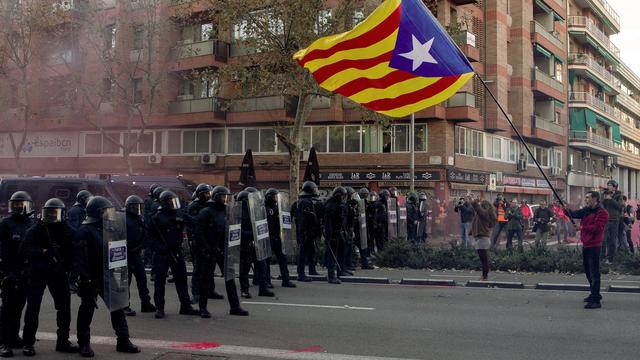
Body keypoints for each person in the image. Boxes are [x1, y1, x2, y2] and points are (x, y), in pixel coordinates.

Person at [73, 196, 140, 357]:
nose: (110, 214)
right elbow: (79, 258)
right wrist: (85, 278)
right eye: (106, 211)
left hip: (110, 273)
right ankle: (83, 343)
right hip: (92, 277)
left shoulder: (110, 228)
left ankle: (123, 340)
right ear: (97, 213)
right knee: (87, 310)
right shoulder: (84, 231)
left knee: (118, 307)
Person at [20, 198, 78, 356]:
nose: (52, 216)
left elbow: (74, 248)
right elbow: (24, 249)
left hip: (58, 271)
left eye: (55, 213)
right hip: (39, 270)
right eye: (50, 213)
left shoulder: (66, 229)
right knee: (33, 308)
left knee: (64, 308)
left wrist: (69, 267)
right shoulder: (37, 229)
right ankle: (28, 343)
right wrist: (43, 252)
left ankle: (63, 341)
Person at [195, 186, 248, 318]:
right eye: (223, 196)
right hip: (211, 250)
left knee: (230, 279)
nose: (225, 199)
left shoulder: (227, 210)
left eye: (227, 196)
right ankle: (203, 308)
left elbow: (233, 228)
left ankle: (235, 307)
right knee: (206, 280)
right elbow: (199, 233)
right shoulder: (206, 212)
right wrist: (207, 248)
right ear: (216, 196)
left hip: (225, 250)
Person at [147, 191, 199, 319]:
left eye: (174, 201)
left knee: (181, 279)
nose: (173, 204)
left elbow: (193, 222)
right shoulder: (157, 218)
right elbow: (150, 238)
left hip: (176, 252)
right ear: (164, 203)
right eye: (171, 202)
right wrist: (160, 248)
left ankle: (185, 306)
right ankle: (160, 308)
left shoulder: (179, 213)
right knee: (160, 282)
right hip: (162, 254)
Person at [0, 191, 37, 357]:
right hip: (9, 272)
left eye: (22, 205)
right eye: (15, 205)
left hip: (26, 272)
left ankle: (14, 337)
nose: (19, 208)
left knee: (19, 308)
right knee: (7, 309)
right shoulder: (5, 224)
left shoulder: (33, 223)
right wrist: (4, 272)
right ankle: (3, 343)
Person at [564, 191, 609, 309]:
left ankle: (596, 301)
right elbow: (574, 214)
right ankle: (595, 294)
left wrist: (581, 227)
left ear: (595, 199)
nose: (586, 200)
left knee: (594, 272)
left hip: (595, 245)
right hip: (586, 244)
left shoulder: (602, 212)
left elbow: (598, 228)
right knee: (588, 271)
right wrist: (566, 210)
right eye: (586, 197)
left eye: (588, 197)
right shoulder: (586, 210)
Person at [186, 184, 223, 304]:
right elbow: (192, 224)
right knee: (198, 269)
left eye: (209, 193)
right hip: (198, 241)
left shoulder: (209, 206)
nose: (208, 195)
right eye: (206, 193)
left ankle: (210, 291)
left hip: (209, 240)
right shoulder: (194, 206)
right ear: (200, 194)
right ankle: (195, 293)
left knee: (210, 269)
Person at [123, 195, 156, 317]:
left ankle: (145, 303)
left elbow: (145, 234)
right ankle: (124, 306)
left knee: (142, 279)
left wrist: (142, 244)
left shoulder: (138, 219)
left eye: (139, 207)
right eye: (135, 207)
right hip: (126, 254)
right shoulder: (123, 219)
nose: (138, 209)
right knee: (126, 281)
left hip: (135, 254)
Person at [237, 189, 274, 299]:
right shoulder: (238, 213)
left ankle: (263, 289)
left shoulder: (254, 211)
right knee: (245, 269)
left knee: (262, 267)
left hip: (256, 244)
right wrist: (252, 234)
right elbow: (237, 231)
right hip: (245, 245)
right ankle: (244, 290)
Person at [264, 188, 296, 288]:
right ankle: (266, 281)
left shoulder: (278, 208)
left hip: (278, 236)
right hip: (268, 236)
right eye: (274, 196)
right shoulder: (264, 208)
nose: (275, 199)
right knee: (267, 260)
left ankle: (286, 280)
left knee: (283, 258)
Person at [292, 182, 322, 281]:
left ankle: (312, 270)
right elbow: (305, 219)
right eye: (314, 189)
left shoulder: (300, 201)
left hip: (304, 231)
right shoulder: (305, 202)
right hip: (305, 231)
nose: (316, 191)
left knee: (311, 251)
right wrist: (306, 231)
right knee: (303, 253)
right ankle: (301, 274)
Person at [323, 187, 348, 284]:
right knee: (332, 256)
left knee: (338, 254)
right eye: (342, 196)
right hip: (333, 234)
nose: (343, 198)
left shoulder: (338, 204)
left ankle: (338, 273)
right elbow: (328, 223)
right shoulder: (331, 206)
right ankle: (331, 276)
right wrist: (329, 237)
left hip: (338, 233)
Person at [470, 198, 496, 281]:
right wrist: (471, 233)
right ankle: (484, 275)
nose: (480, 207)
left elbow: (477, 208)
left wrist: (474, 201)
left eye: (481, 205)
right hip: (481, 238)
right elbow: (475, 223)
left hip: (483, 239)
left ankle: (485, 276)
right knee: (484, 259)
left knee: (484, 259)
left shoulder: (485, 214)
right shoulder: (483, 215)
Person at [601, 180, 624, 261]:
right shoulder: (605, 194)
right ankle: (602, 258)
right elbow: (601, 205)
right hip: (606, 219)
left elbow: (620, 207)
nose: (608, 187)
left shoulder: (619, 195)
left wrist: (611, 199)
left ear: (614, 187)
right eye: (608, 185)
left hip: (614, 219)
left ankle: (611, 259)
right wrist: (604, 197)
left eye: (610, 185)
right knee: (603, 239)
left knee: (613, 240)